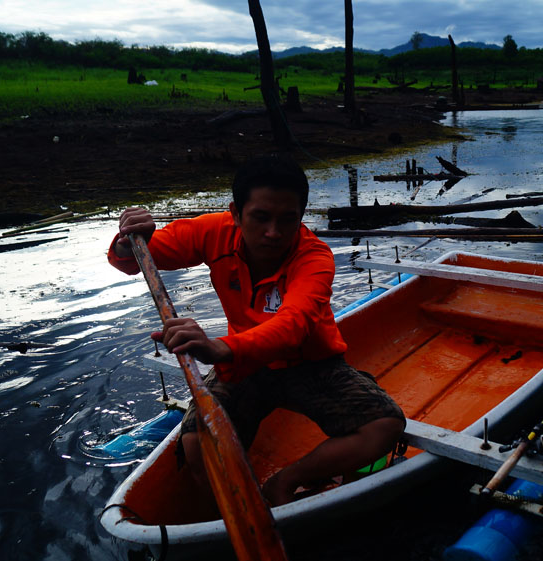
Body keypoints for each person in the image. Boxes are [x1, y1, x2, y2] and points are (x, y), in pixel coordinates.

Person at [107, 154, 405, 506]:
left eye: (287, 220)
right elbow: (135, 258)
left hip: (309, 365)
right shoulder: (214, 232)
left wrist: (222, 348)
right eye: (260, 218)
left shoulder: (314, 257)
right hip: (244, 366)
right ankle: (234, 509)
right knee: (196, 447)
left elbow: (293, 326)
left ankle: (286, 481)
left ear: (301, 217)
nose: (273, 233)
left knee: (385, 425)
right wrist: (129, 240)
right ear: (235, 213)